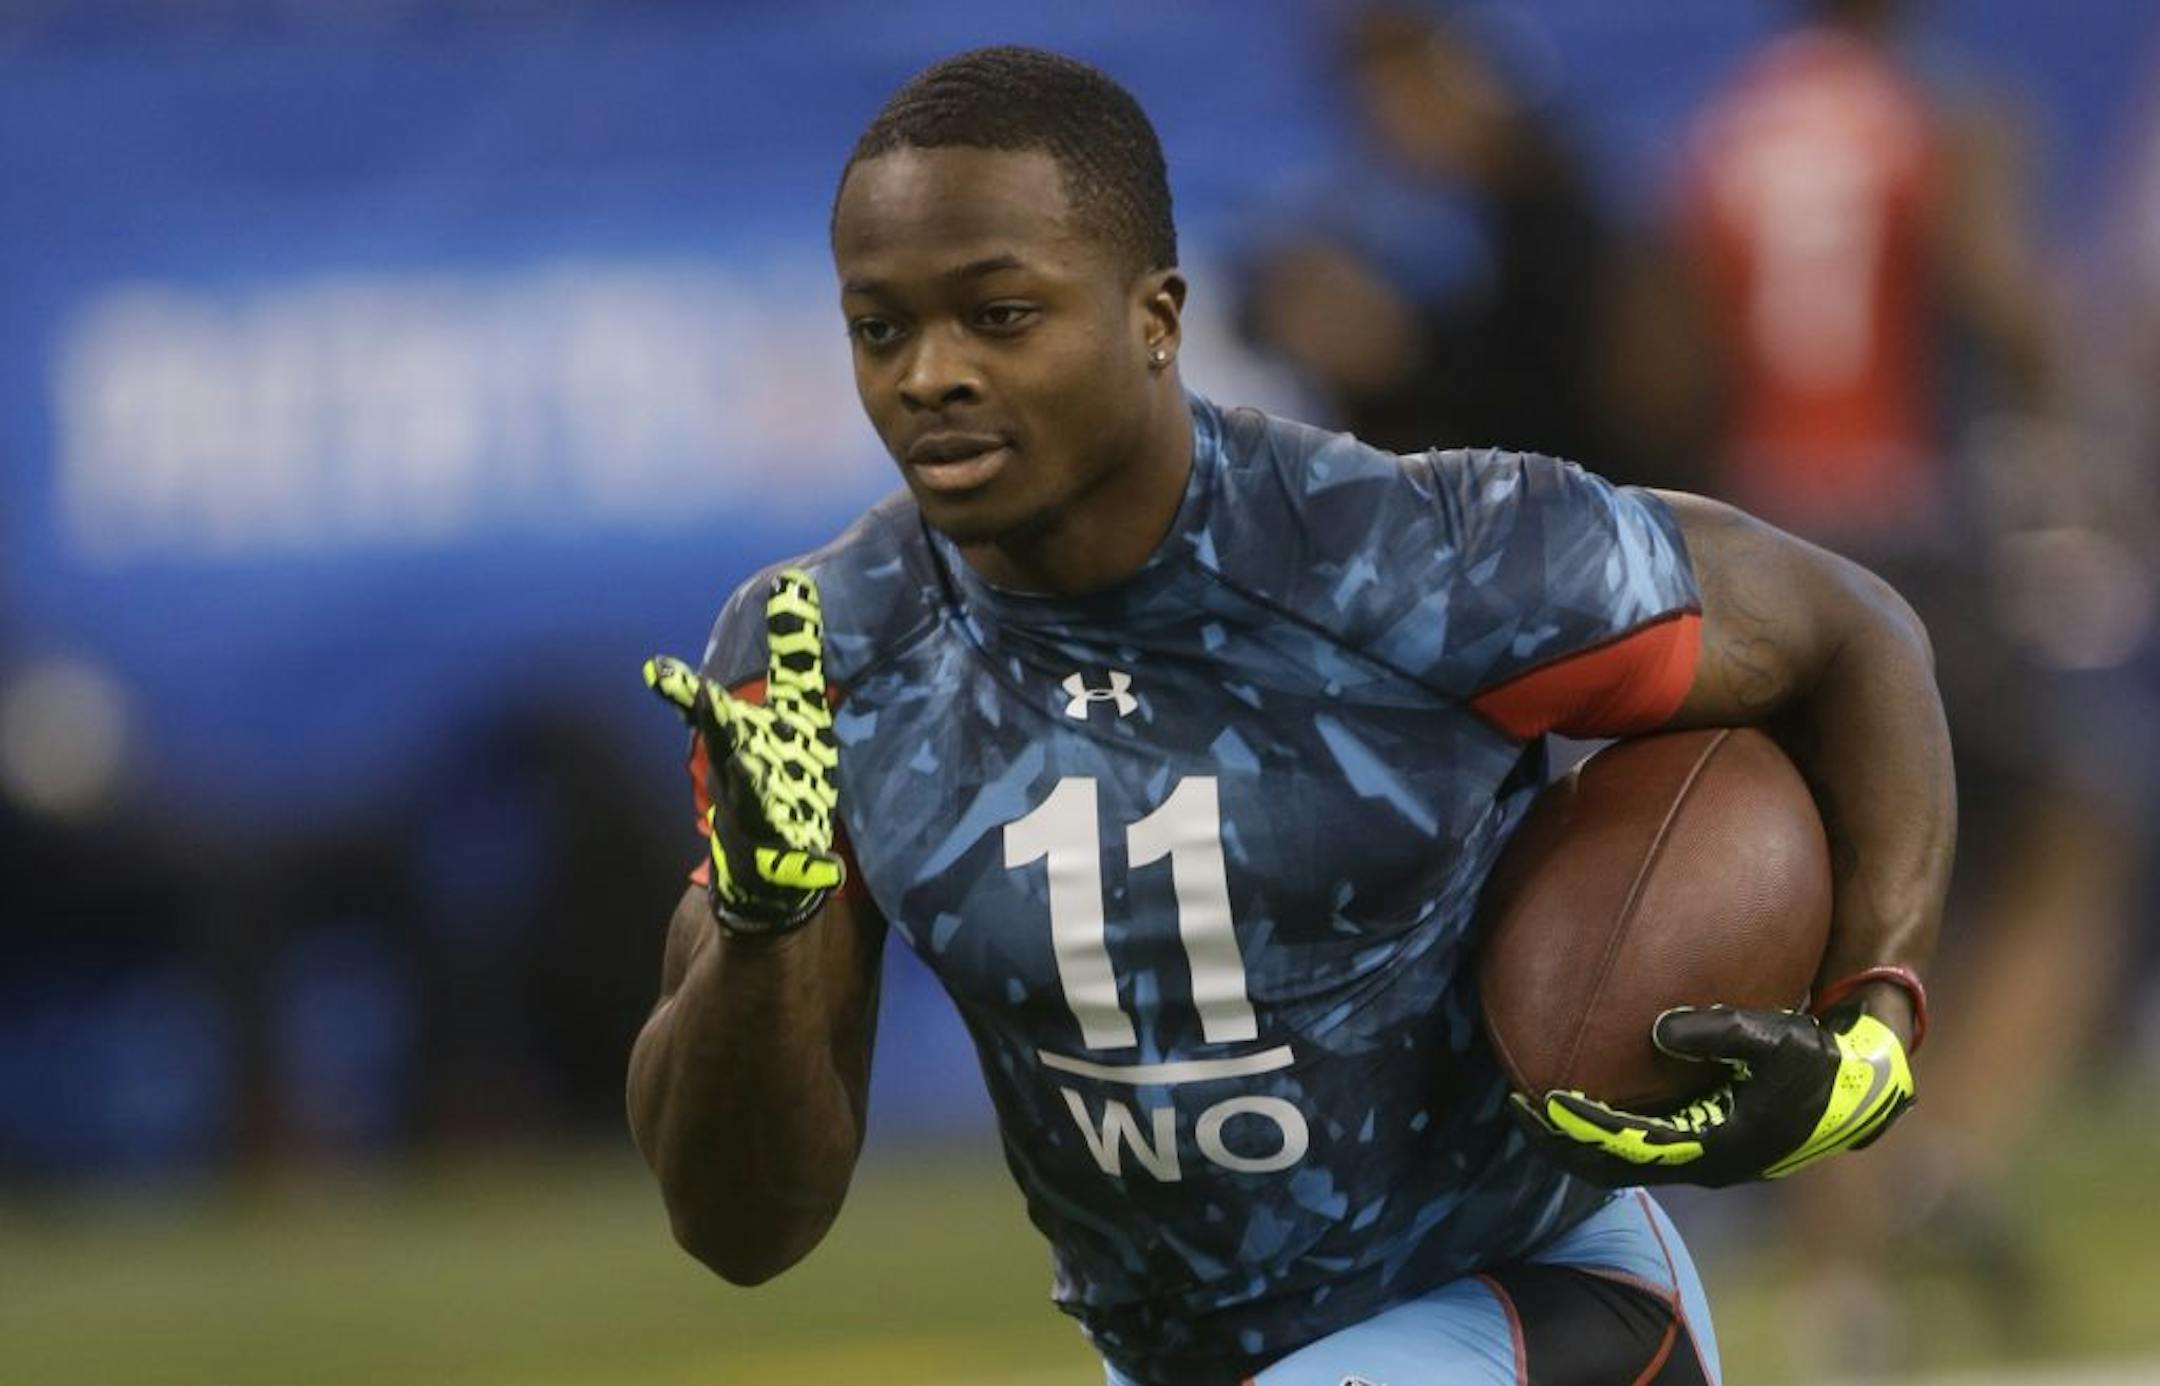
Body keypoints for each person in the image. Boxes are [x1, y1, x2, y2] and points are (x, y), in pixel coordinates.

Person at [627, 47, 1952, 1386]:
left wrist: (1875, 1014)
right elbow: (743, 1226)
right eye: (881, 327)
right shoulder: (821, 654)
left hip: (1539, 1308)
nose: (930, 376)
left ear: (1156, 316)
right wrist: (765, 919)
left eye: (1001, 315)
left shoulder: (1407, 556)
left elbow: (1851, 630)